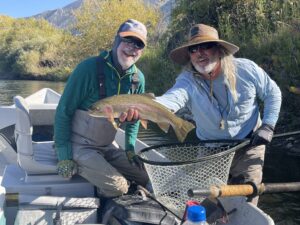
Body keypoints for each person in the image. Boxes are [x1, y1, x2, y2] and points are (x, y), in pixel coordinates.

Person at [155, 24, 282, 205]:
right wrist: (143, 108)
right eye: (193, 49)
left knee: (247, 200)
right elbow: (170, 100)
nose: (199, 53)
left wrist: (268, 125)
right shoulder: (187, 81)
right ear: (189, 56)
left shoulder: (247, 70)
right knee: (204, 200)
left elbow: (273, 93)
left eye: (206, 46)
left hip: (249, 144)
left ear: (219, 49)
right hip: (210, 148)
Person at [54, 19, 149, 198]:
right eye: (127, 40)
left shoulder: (138, 79)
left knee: (145, 176)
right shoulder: (87, 69)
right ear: (116, 41)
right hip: (79, 146)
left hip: (106, 146)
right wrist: (64, 155)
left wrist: (129, 148)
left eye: (138, 44)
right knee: (119, 187)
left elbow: (134, 122)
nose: (132, 47)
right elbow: (63, 112)